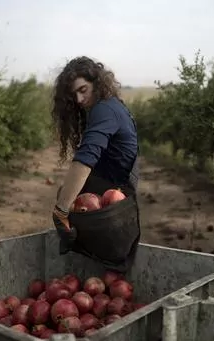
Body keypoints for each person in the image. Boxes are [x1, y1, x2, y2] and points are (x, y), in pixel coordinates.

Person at [51, 56, 140, 269]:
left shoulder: (105, 109)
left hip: (113, 199)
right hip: (110, 193)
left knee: (106, 259)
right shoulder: (110, 105)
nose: (80, 100)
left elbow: (86, 157)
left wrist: (61, 210)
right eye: (74, 95)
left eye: (83, 90)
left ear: (97, 83)